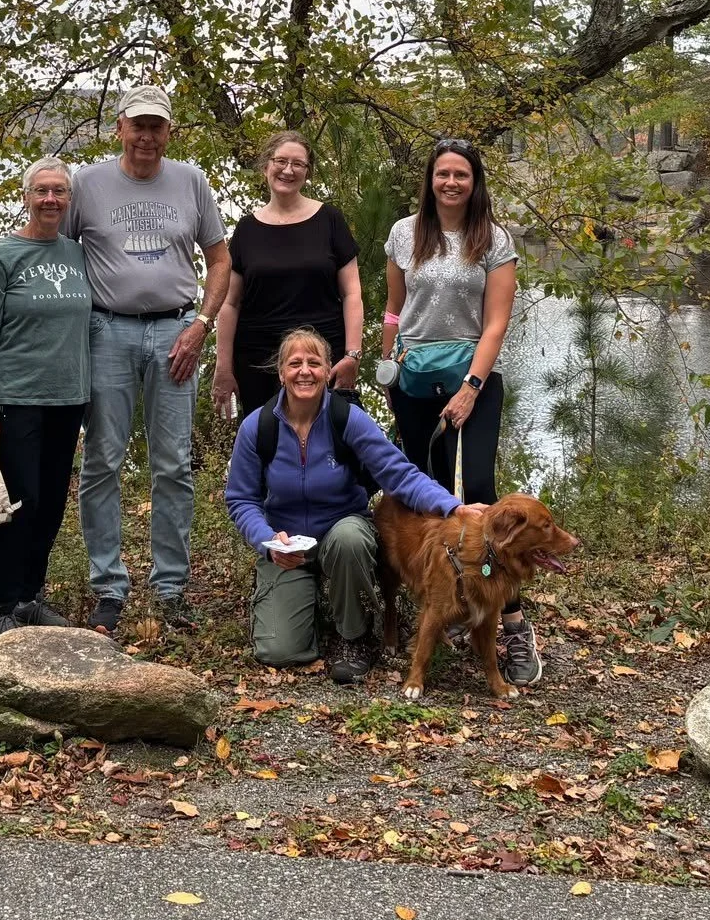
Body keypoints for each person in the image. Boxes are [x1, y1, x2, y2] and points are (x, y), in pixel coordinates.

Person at [225, 328, 482, 682]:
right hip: (285, 543)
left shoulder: (346, 419)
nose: (304, 371)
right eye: (295, 363)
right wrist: (266, 542)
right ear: (281, 372)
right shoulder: (258, 427)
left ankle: (353, 635)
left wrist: (452, 507)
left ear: (328, 370)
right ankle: (304, 603)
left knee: (350, 538)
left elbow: (400, 475)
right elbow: (241, 499)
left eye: (314, 363)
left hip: (341, 531)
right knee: (278, 652)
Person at [65, 84, 228, 635]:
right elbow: (60, 255)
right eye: (138, 125)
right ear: (120, 128)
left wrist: (201, 324)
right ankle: (108, 587)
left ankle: (171, 588)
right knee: (102, 461)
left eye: (157, 126)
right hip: (106, 330)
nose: (146, 136)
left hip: (175, 332)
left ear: (169, 132)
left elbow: (220, 258)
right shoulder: (85, 184)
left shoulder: (191, 181)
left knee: (173, 464)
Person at [379, 138, 538, 684]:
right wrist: (386, 363)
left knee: (483, 493)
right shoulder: (404, 233)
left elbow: (495, 322)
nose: (451, 183)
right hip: (414, 377)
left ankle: (510, 620)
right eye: (442, 174)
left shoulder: (493, 239)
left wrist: (471, 385)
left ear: (475, 182)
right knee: (426, 494)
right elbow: (395, 309)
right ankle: (441, 601)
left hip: (473, 374)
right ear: (430, 180)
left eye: (461, 175)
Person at [0, 158, 91, 640]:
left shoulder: (77, 254)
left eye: (60, 191)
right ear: (25, 196)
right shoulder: (0, 259)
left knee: (52, 505)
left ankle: (27, 599)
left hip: (68, 399)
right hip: (17, 398)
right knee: (20, 503)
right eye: (41, 191)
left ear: (69, 200)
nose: (50, 200)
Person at [212, 130, 364, 421]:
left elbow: (352, 293)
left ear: (308, 172)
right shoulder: (246, 230)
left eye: (298, 164)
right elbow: (230, 303)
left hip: (320, 360)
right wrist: (223, 368)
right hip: (257, 363)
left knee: (328, 447)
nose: (288, 170)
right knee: (266, 448)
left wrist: (352, 355)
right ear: (266, 165)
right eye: (280, 161)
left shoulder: (330, 220)